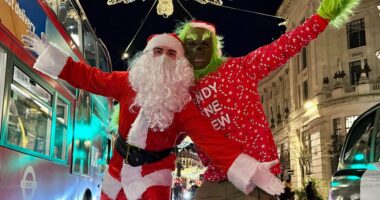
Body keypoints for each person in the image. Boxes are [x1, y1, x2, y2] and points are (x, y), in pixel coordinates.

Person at [22, 32, 284, 200]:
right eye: (158, 52)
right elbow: (89, 77)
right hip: (117, 167)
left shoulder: (183, 104)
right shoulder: (127, 82)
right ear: (147, 57)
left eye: (171, 54)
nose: (163, 59)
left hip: (156, 173)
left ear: (181, 64)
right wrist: (51, 56)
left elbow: (212, 140)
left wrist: (251, 170)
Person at [174, 0, 360, 199]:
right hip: (215, 179)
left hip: (255, 177)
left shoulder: (238, 69)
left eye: (205, 44)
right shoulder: (181, 90)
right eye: (192, 44)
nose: (199, 49)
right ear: (183, 50)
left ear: (214, 48)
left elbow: (283, 47)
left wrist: (321, 18)